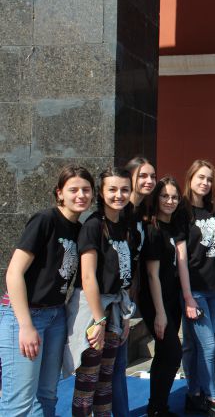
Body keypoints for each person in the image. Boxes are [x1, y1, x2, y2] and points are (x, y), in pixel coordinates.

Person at [0, 166, 94, 416]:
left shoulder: (79, 230)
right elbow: (13, 273)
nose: (80, 195)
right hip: (25, 314)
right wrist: (25, 325)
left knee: (47, 395)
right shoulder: (45, 220)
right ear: (60, 193)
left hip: (56, 315)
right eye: (73, 189)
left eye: (86, 190)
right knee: (19, 402)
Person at [66, 167, 138, 416]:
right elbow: (87, 277)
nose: (119, 195)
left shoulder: (126, 227)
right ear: (101, 192)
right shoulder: (93, 226)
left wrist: (125, 317)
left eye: (125, 189)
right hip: (93, 310)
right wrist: (98, 320)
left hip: (115, 310)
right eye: (113, 189)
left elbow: (125, 276)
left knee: (106, 381)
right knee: (88, 382)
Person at [177, 160, 215, 416]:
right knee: (207, 346)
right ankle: (211, 397)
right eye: (201, 177)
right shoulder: (181, 211)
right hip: (195, 290)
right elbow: (181, 257)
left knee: (193, 344)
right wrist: (188, 296)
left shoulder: (213, 209)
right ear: (190, 178)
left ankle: (193, 393)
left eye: (209, 179)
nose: (205, 183)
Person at [111, 156, 156, 417]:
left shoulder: (142, 212)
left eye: (152, 176)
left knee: (118, 364)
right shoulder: (118, 213)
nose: (149, 181)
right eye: (143, 176)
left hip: (127, 295)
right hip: (109, 297)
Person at [139, 177, 185, 416]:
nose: (170, 201)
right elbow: (152, 275)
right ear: (156, 198)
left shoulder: (174, 226)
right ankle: (157, 406)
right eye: (165, 196)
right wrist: (159, 313)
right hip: (155, 302)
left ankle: (157, 407)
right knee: (173, 353)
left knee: (163, 354)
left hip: (172, 299)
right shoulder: (153, 229)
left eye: (174, 197)